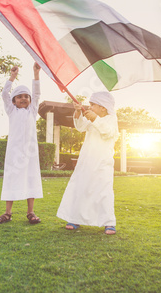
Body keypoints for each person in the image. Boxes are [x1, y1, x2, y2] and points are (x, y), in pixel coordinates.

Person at [56, 92, 119, 235]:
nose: (89, 107)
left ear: (103, 107)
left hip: (103, 163)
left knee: (104, 191)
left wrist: (96, 119)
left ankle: (108, 223)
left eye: (93, 105)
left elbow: (108, 132)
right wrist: (78, 111)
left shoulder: (111, 119)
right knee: (80, 188)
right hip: (87, 160)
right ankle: (74, 218)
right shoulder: (92, 119)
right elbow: (80, 126)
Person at [0, 63, 43, 225]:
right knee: (11, 178)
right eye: (19, 96)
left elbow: (37, 93)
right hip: (14, 153)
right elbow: (5, 94)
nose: (23, 99)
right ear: (14, 101)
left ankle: (31, 212)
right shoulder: (11, 110)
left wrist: (36, 74)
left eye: (26, 96)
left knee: (31, 178)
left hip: (30, 154)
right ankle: (8, 213)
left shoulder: (32, 111)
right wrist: (12, 77)